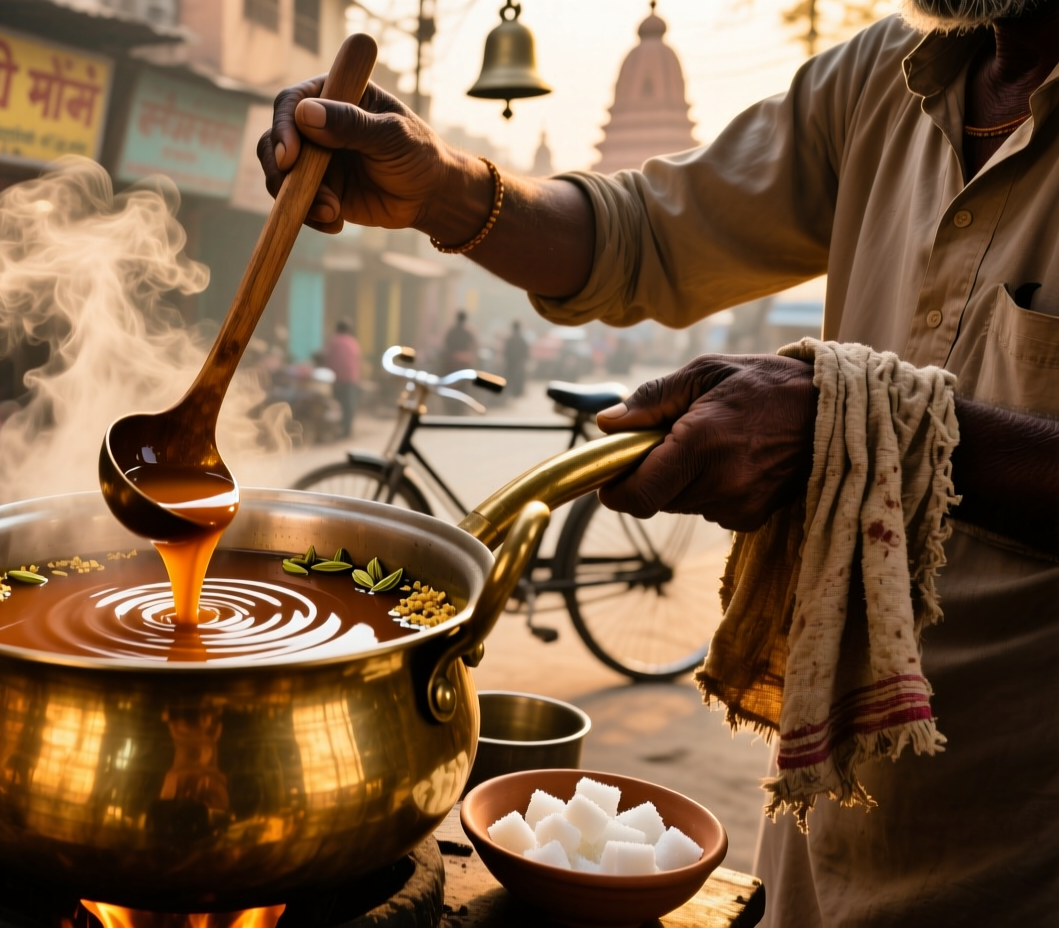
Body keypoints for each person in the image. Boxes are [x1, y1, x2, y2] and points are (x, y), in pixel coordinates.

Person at [259, 1, 1059, 924]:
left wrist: (856, 423)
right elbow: (643, 235)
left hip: (1027, 843)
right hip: (819, 810)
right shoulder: (889, 70)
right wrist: (440, 187)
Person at [325, 320, 362, 438]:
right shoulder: (353, 342)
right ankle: (347, 429)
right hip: (352, 379)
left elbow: (327, 357)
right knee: (348, 406)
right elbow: (358, 360)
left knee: (334, 404)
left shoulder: (334, 341)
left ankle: (335, 428)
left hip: (336, 379)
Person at [502, 320, 529, 399]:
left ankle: (510, 392)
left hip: (510, 362)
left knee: (510, 377)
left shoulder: (509, 339)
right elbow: (525, 351)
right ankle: (517, 392)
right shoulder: (522, 339)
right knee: (518, 377)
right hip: (519, 362)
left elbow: (506, 351)